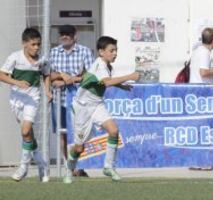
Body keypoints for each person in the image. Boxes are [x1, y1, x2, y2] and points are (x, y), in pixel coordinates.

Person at [63, 36, 139, 184]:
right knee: (79, 149)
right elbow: (107, 82)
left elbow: (105, 81)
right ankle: (69, 169)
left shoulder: (108, 66)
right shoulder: (100, 64)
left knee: (114, 130)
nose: (115, 53)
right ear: (101, 52)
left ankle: (108, 167)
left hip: (97, 104)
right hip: (82, 108)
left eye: (116, 50)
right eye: (111, 50)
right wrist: (130, 76)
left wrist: (122, 86)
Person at [0, 27, 52, 182]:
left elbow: (46, 74)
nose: (36, 48)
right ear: (24, 43)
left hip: (32, 99)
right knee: (28, 134)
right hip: (16, 99)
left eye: (38, 44)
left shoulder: (43, 58)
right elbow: (2, 75)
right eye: (33, 44)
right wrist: (17, 82)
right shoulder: (15, 57)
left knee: (25, 131)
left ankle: (23, 167)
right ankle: (42, 164)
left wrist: (47, 91)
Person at [49, 24, 94, 177]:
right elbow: (49, 75)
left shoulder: (85, 52)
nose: (65, 36)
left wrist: (72, 79)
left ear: (76, 36)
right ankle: (70, 167)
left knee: (79, 133)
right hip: (58, 100)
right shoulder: (53, 52)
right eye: (62, 33)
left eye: (68, 34)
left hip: (79, 100)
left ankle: (78, 165)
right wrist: (62, 76)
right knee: (62, 134)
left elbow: (90, 76)